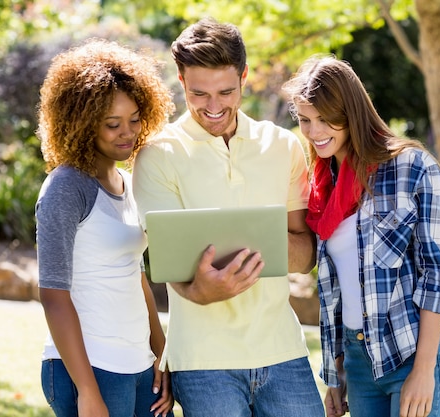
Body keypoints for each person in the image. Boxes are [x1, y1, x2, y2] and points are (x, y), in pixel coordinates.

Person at [132, 17, 325, 417]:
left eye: (226, 91)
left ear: (244, 76)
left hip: (282, 350)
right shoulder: (157, 155)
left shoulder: (283, 146)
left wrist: (248, 241)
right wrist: (203, 290)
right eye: (199, 94)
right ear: (181, 81)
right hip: (203, 360)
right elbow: (171, 267)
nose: (214, 107)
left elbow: (306, 255)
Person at [282, 55, 440, 417]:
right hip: (360, 365)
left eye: (325, 119)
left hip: (412, 351)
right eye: (305, 120)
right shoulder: (321, 187)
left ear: (351, 114)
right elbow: (335, 291)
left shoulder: (412, 168)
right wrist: (336, 375)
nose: (314, 132)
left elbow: (436, 276)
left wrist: (425, 370)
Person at [35, 38, 176, 417]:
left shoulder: (129, 182)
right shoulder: (66, 187)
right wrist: (87, 391)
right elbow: (53, 295)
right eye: (112, 124)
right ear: (80, 124)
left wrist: (161, 353)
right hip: (91, 368)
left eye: (134, 120)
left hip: (140, 366)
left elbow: (137, 278)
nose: (127, 133)